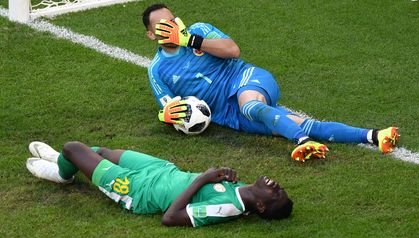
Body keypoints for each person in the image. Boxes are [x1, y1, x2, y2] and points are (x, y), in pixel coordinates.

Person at [142, 4, 400, 162]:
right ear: (152, 34)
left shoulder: (199, 30)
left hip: (244, 79)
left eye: (172, 20)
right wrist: (167, 116)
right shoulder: (157, 69)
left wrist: (190, 40)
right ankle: (376, 135)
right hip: (227, 115)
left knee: (250, 105)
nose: (170, 26)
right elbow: (169, 107)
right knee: (300, 123)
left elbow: (233, 51)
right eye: (163, 25)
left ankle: (301, 141)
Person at [25, 141, 293, 227]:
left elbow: (171, 217)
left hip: (137, 189)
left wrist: (204, 177)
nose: (277, 186)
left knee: (73, 148)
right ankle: (64, 162)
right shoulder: (243, 189)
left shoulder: (227, 208)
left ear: (260, 204)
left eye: (276, 194)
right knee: (99, 151)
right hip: (159, 168)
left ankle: (63, 174)